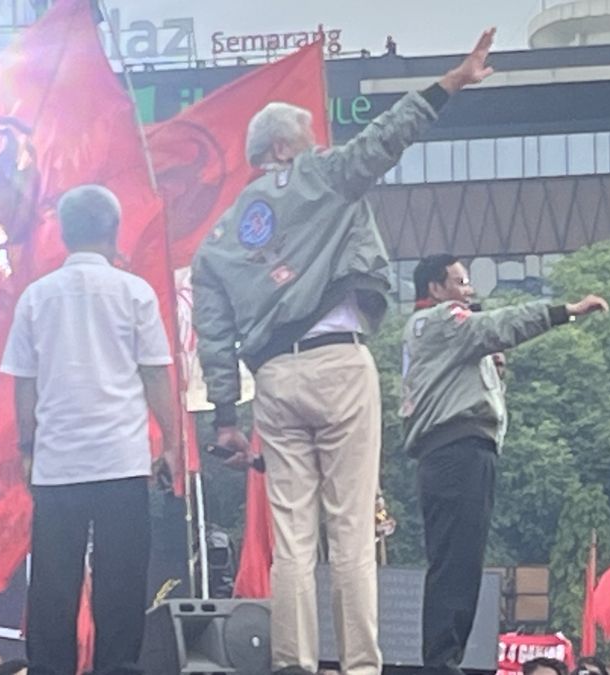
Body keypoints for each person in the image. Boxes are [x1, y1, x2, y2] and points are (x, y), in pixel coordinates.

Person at [192, 25, 499, 675]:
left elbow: (213, 331)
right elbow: (386, 139)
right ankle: (360, 665)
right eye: (306, 136)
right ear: (284, 147)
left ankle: (294, 663)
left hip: (273, 377)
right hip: (338, 358)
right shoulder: (322, 177)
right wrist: (452, 81)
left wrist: (225, 414)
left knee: (293, 537)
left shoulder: (219, 237)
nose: (316, 142)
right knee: (351, 527)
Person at [1, 185, 179, 675]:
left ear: (64, 232)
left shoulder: (36, 297)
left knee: (53, 589)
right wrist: (173, 444)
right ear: (113, 231)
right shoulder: (136, 292)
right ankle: (117, 668)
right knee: (120, 584)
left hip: (58, 463)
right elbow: (156, 375)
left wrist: (28, 448)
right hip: (122, 460)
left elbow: (25, 385)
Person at [400, 254, 608, 675]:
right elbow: (500, 325)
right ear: (436, 289)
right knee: (457, 559)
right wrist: (564, 312)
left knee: (460, 558)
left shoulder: (438, 333)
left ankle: (444, 657)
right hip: (457, 449)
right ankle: (441, 660)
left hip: (456, 450)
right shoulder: (444, 319)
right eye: (460, 281)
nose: (469, 289)